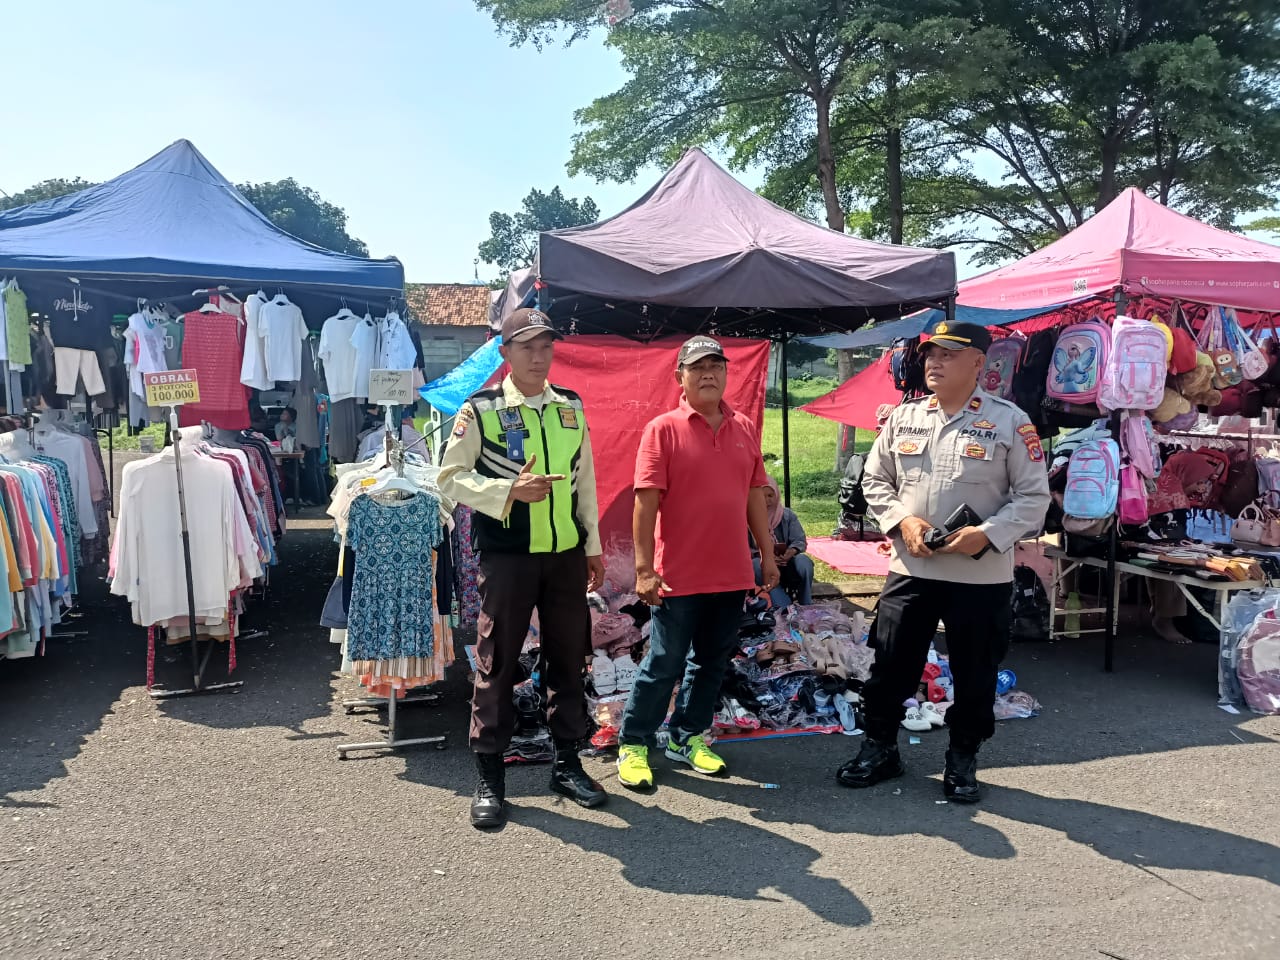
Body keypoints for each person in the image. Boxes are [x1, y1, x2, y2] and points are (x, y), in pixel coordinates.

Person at [837, 321, 1050, 803]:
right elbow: (875, 480)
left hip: (980, 575)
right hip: (912, 569)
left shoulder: (1010, 422)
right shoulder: (906, 417)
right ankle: (879, 748)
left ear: (978, 363)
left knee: (975, 674)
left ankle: (962, 758)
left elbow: (1033, 499)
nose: (934, 362)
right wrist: (902, 521)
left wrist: (987, 534)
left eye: (949, 355)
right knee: (890, 666)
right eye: (931, 354)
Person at [437, 307, 607, 829]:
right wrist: (508, 490)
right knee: (497, 665)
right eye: (527, 346)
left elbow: (584, 481)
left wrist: (593, 545)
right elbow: (449, 477)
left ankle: (567, 765)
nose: (538, 356)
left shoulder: (570, 407)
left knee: (568, 662)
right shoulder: (481, 409)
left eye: (546, 346)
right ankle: (490, 777)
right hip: (508, 558)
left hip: (565, 556)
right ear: (505, 352)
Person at [616, 335, 779, 790]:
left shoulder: (743, 427)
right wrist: (644, 569)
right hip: (678, 575)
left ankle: (687, 736)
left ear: (726, 373)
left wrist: (767, 555)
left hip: (730, 572)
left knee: (711, 662)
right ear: (680, 377)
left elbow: (754, 495)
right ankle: (634, 742)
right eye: (698, 367)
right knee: (664, 662)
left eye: (716, 366)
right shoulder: (662, 429)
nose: (709, 374)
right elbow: (645, 503)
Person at [751, 476, 814, 607]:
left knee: (804, 562)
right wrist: (767, 557)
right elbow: (745, 549)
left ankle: (806, 601)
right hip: (763, 565)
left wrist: (791, 551)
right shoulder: (749, 518)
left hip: (787, 562)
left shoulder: (787, 515)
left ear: (777, 495)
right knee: (755, 564)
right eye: (762, 496)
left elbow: (799, 540)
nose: (767, 501)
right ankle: (780, 601)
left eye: (770, 496)